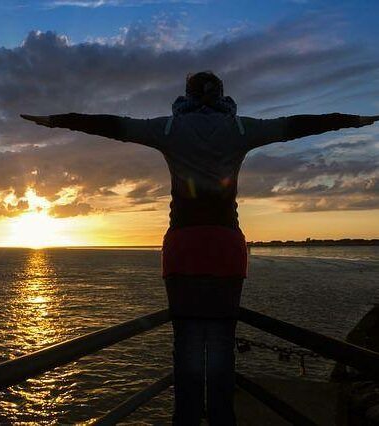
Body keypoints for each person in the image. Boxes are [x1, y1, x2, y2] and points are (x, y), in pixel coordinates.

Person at [21, 71, 378, 425]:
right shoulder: (241, 129)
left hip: (184, 247)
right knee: (222, 342)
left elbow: (114, 125)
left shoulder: (169, 129)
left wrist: (56, 121)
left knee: (188, 343)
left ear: (186, 95)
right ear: (222, 95)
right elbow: (297, 125)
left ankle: (187, 420)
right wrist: (355, 121)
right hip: (226, 249)